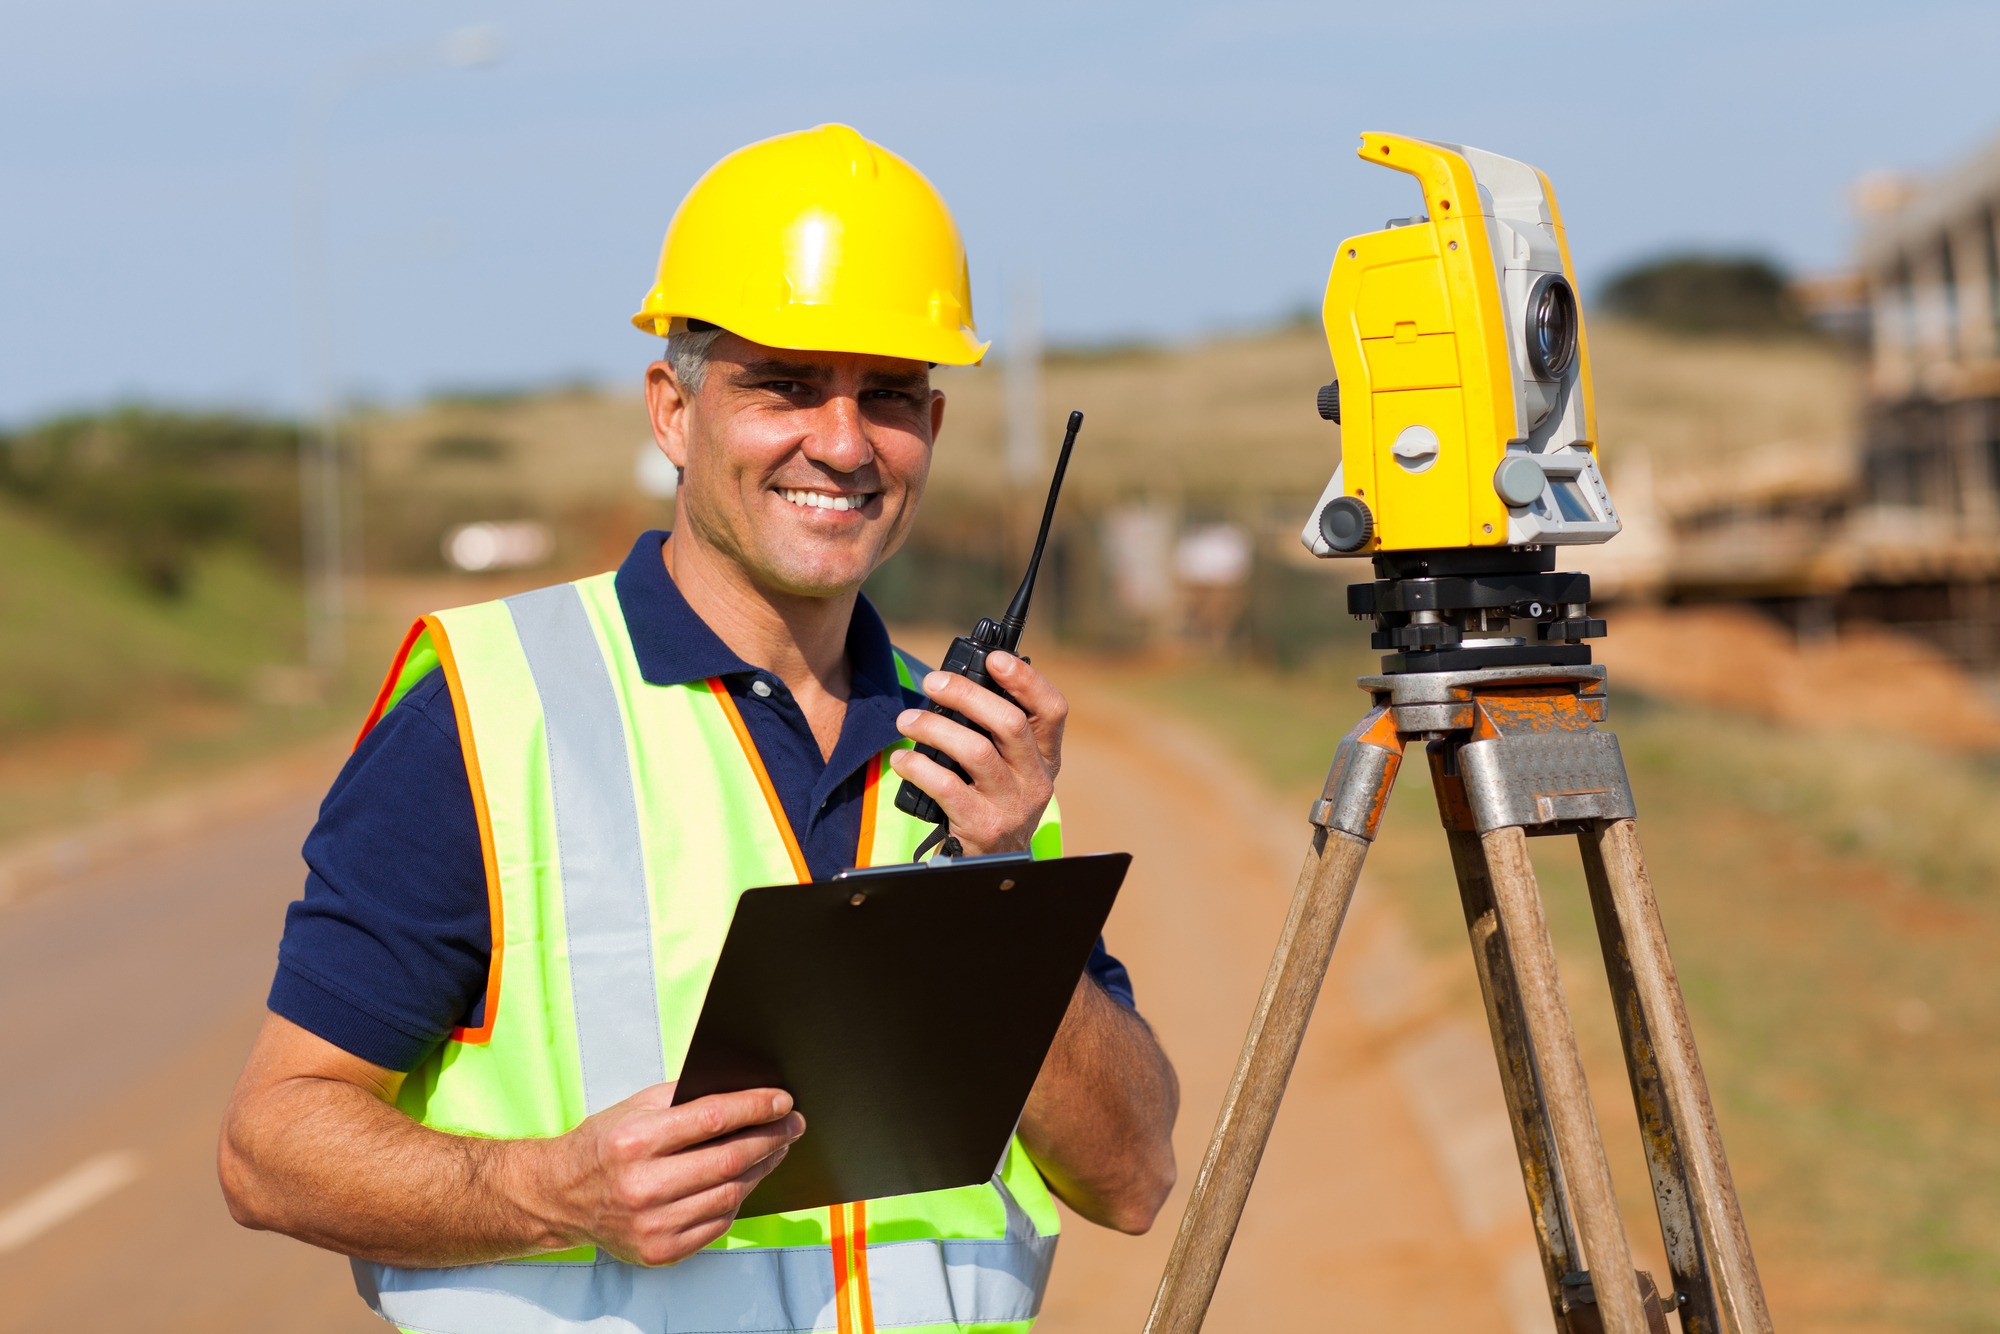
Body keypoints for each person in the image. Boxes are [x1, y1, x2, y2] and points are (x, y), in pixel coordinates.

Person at [219, 123, 1179, 1334]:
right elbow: (270, 1143)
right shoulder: (494, 707)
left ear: (929, 430)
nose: (841, 441)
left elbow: (1133, 1174)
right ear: (672, 410)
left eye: (885, 394)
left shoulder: (964, 752)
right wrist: (541, 1191)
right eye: (783, 383)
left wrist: (996, 881)